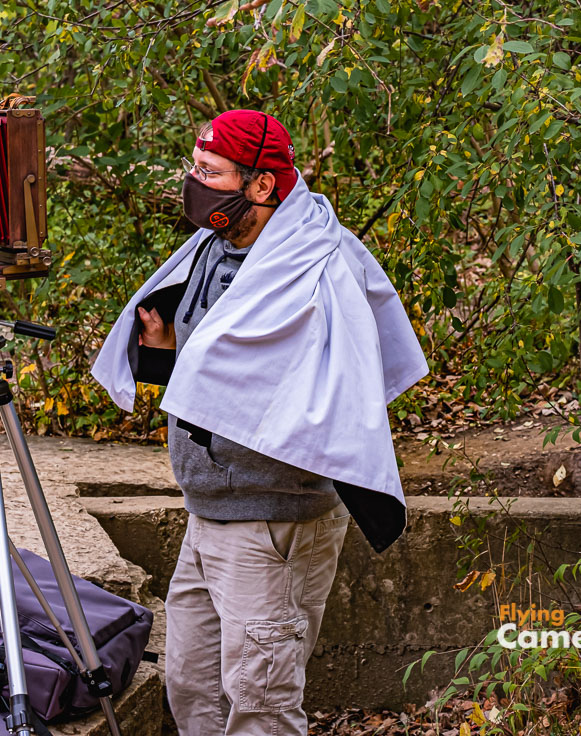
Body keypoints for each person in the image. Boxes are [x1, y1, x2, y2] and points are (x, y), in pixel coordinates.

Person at [91, 109, 428, 736]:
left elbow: (327, 393)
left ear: (261, 186)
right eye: (194, 166)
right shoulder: (214, 248)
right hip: (209, 511)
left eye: (209, 171)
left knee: (260, 704)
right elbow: (225, 381)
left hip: (272, 521)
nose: (193, 181)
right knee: (192, 690)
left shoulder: (315, 268)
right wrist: (165, 351)